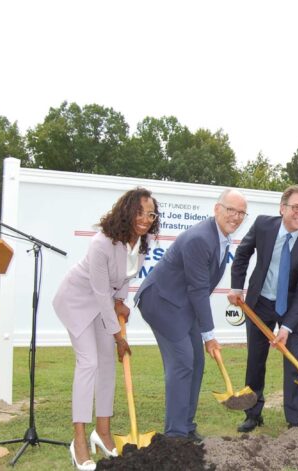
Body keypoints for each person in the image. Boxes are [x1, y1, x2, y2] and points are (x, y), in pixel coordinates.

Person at [53, 187, 159, 470]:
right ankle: (78, 442)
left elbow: (124, 278)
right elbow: (100, 293)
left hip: (104, 305)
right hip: (76, 301)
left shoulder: (143, 241)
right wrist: (118, 336)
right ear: (126, 212)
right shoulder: (102, 243)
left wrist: (120, 301)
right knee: (88, 363)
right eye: (139, 212)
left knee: (108, 368)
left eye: (150, 214)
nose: (145, 219)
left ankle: (103, 432)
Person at [136, 189, 248, 441]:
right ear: (217, 209)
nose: (236, 217)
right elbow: (198, 289)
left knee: (197, 362)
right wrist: (209, 335)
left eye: (241, 213)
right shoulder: (200, 238)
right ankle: (176, 436)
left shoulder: (221, 237)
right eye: (231, 210)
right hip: (162, 302)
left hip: (183, 304)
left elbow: (200, 289)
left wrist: (203, 330)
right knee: (183, 362)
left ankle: (186, 426)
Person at [227, 185, 298, 431]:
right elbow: (242, 255)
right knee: (255, 360)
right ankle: (253, 414)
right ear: (282, 208)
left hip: (293, 308)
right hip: (259, 304)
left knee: (294, 360)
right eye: (297, 207)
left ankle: (295, 421)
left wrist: (289, 326)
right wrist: (236, 287)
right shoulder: (263, 226)